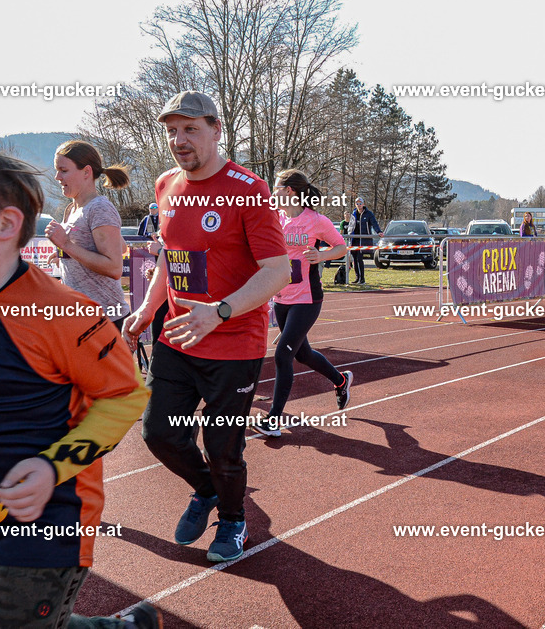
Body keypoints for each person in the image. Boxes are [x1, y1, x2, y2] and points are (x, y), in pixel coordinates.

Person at [0, 139, 159, 629]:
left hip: (48, 518)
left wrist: (52, 467)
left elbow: (127, 393)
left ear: (6, 224)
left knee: (0, 624)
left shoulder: (60, 312)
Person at [122, 91, 288, 563]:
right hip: (177, 337)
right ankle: (207, 491)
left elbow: (277, 271)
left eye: (191, 129)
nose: (180, 140)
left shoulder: (249, 188)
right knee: (158, 434)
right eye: (172, 131)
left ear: (217, 130)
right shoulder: (165, 185)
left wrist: (218, 311)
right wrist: (148, 308)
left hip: (233, 343)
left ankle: (234, 522)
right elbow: (171, 261)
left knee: (223, 448)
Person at [252, 170, 353, 438]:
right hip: (281, 297)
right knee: (302, 354)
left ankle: (273, 420)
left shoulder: (316, 220)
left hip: (307, 299)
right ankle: (341, 380)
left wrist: (321, 255)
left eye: (276, 188)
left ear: (290, 191)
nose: (273, 193)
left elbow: (342, 247)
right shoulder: (277, 218)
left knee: (282, 355)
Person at [46, 141, 132, 332]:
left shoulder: (100, 208)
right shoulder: (72, 208)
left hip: (105, 320)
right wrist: (65, 256)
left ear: (86, 172)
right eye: (57, 170)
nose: (57, 177)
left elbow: (114, 267)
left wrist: (67, 245)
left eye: (63, 170)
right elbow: (122, 247)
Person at [349, 197, 381, 284]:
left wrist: (379, 231)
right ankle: (357, 277)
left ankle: (362, 279)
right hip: (354, 240)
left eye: (360, 203)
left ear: (363, 204)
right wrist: (349, 235)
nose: (359, 205)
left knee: (359, 258)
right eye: (357, 204)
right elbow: (351, 226)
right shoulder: (354, 214)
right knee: (354, 259)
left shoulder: (368, 214)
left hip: (363, 240)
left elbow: (374, 223)